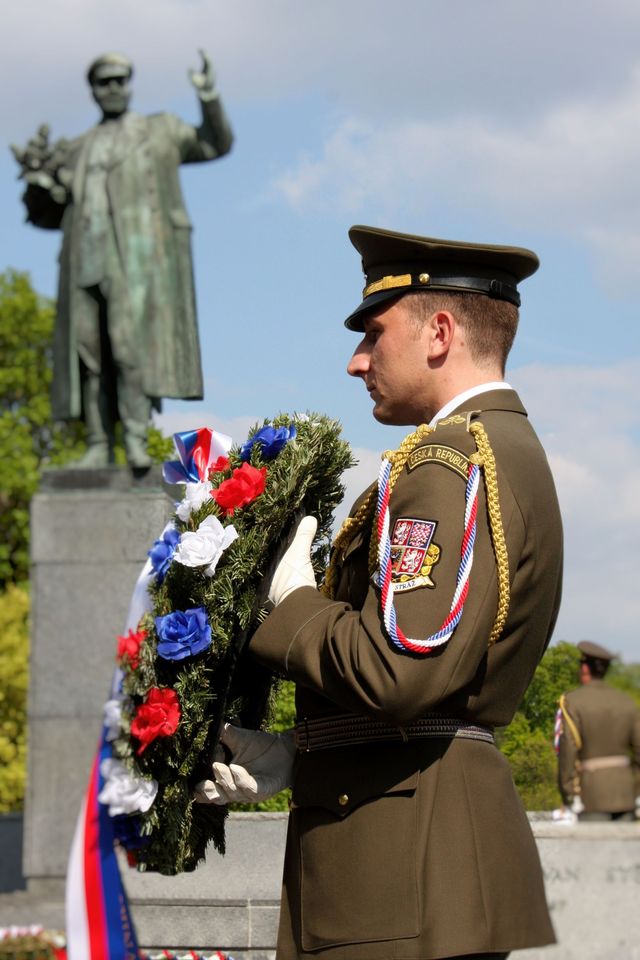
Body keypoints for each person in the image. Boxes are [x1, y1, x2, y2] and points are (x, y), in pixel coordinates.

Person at [196, 225, 564, 959]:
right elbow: (440, 687)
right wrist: (305, 750)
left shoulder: (447, 461)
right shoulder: (494, 448)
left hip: (402, 865)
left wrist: (291, 603)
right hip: (416, 845)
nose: (356, 360)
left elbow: (401, 670)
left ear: (440, 333)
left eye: (374, 333)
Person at [11, 50, 233, 468]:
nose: (112, 88)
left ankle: (133, 438)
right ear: (93, 91)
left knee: (128, 350)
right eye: (103, 82)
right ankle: (98, 442)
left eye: (119, 80)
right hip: (83, 260)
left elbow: (214, 143)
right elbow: (44, 212)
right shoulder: (77, 148)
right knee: (88, 355)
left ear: (129, 85)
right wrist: (38, 184)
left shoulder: (160, 130)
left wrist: (208, 97)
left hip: (136, 264)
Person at [556, 640, 640, 821]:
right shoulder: (626, 702)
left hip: (591, 795)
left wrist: (568, 794)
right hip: (626, 794)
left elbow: (568, 748)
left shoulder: (574, 701)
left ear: (585, 668)